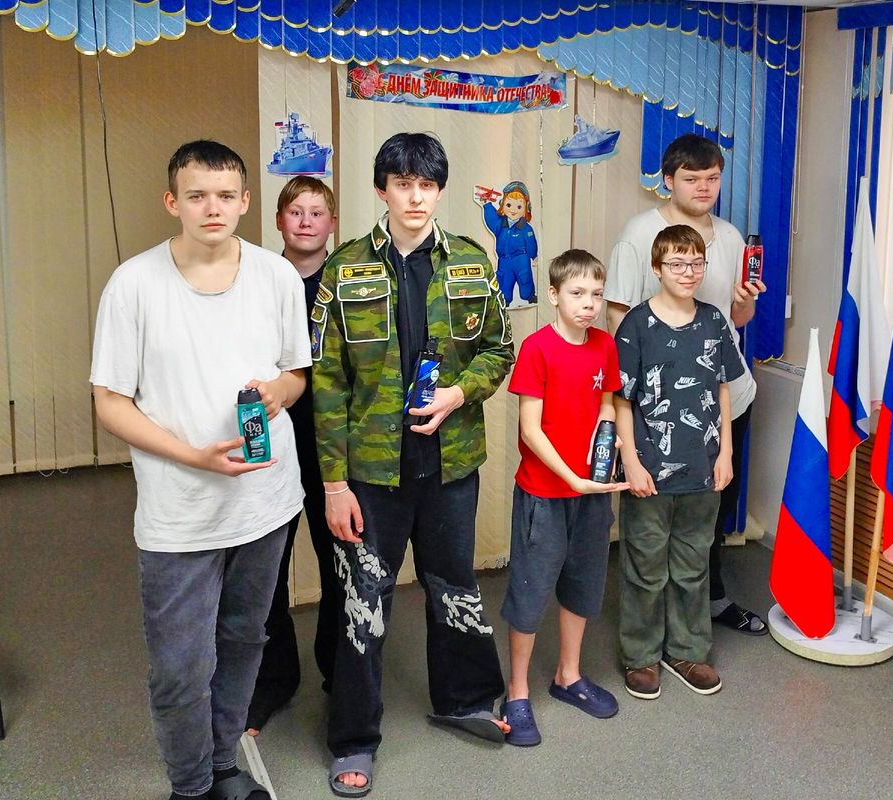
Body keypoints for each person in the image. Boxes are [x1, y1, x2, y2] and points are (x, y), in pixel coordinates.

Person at [90, 140, 310, 800]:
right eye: (196, 196)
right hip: (179, 511)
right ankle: (189, 787)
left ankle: (221, 765)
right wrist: (193, 456)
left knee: (244, 639)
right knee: (181, 665)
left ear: (245, 201)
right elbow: (109, 401)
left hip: (265, 503)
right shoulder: (134, 284)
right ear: (173, 202)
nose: (212, 208)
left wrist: (277, 393)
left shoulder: (275, 277)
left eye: (224, 196)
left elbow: (296, 373)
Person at [311, 132, 514, 797]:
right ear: (382, 190)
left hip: (450, 464)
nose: (415, 197)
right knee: (362, 600)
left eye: (426, 185)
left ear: (440, 190)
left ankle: (466, 699)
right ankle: (353, 738)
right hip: (372, 474)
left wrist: (460, 392)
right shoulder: (345, 269)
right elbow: (327, 383)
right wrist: (333, 484)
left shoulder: (470, 260)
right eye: (403, 184)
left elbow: (500, 350)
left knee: (455, 584)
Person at [604, 133, 769, 636]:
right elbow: (618, 315)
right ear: (668, 180)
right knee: (652, 517)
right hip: (659, 403)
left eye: (712, 178)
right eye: (692, 178)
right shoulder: (640, 234)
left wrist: (746, 301)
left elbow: (736, 319)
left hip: (725, 395)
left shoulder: (732, 237)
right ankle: (650, 624)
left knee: (712, 508)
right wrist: (635, 397)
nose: (704, 187)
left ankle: (709, 602)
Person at [500, 249, 629, 747]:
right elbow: (530, 430)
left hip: (592, 494)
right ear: (554, 295)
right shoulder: (537, 348)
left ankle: (568, 676)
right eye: (577, 293)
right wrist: (571, 478)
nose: (589, 304)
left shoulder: (604, 345)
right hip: (545, 494)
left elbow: (606, 403)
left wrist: (606, 441)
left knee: (583, 584)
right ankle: (517, 691)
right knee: (530, 592)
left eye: (596, 294)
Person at [614, 225, 744, 700]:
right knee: (646, 566)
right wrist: (630, 461)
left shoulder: (713, 321)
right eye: (676, 263)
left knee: (692, 565)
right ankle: (642, 655)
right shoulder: (635, 326)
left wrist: (726, 452)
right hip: (649, 467)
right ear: (657, 268)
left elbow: (722, 388)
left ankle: (688, 651)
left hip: (704, 467)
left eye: (696, 263)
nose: (688, 272)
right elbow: (621, 399)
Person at [246, 177, 343, 735]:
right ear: (279, 220)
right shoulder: (256, 281)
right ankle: (273, 680)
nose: (306, 222)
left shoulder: (350, 281)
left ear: (332, 223)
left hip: (333, 450)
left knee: (338, 565)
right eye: (295, 212)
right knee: (268, 570)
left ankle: (338, 675)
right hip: (276, 443)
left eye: (317, 212)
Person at [478, 180, 538, 306]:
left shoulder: (526, 228)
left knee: (525, 279)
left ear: (526, 208)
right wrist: (487, 205)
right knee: (504, 281)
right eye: (509, 205)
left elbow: (531, 243)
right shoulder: (501, 224)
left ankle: (530, 296)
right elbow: (492, 219)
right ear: (502, 205)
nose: (513, 210)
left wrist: (534, 256)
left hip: (521, 259)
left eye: (519, 207)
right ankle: (505, 301)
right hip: (504, 260)